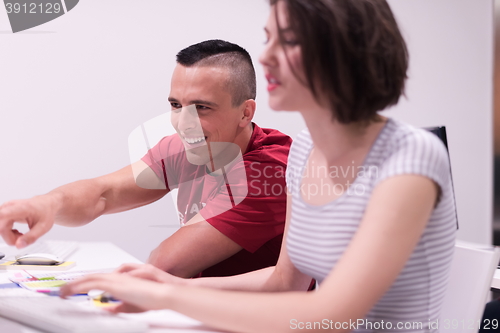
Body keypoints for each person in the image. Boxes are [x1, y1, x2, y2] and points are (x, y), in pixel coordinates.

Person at [61, 1, 457, 332]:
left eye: (288, 41)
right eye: (268, 39)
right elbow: (283, 283)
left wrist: (169, 295)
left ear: (344, 51)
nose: (264, 56)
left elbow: (334, 314)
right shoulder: (306, 149)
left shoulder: (413, 156)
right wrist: (162, 285)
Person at [0, 40, 292, 279]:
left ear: (246, 112)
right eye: (176, 105)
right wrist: (47, 204)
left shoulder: (269, 170)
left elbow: (167, 265)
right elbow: (104, 193)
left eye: (202, 107)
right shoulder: (189, 147)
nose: (184, 122)